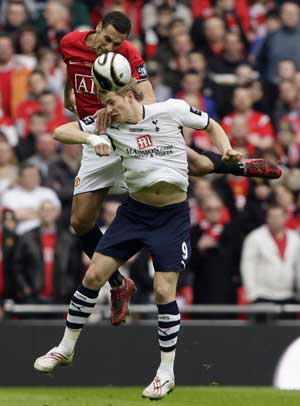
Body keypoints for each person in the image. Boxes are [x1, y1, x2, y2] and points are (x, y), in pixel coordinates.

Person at [59, 10, 282, 326]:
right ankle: (119, 284)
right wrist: (70, 96)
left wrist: (142, 123)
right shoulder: (70, 42)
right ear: (97, 28)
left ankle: (240, 166)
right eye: (107, 40)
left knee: (199, 165)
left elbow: (147, 95)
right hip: (96, 135)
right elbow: (72, 71)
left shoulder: (127, 56)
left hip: (130, 129)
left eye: (117, 43)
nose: (109, 48)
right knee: (80, 221)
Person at [34, 77, 243, 399]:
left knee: (163, 291)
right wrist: (92, 139)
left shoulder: (169, 110)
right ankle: (65, 347)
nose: (109, 110)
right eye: (105, 104)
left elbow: (211, 124)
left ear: (131, 96)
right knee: (94, 275)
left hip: (171, 217)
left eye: (113, 103)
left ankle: (166, 372)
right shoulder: (107, 122)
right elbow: (60, 131)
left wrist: (226, 148)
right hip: (135, 212)